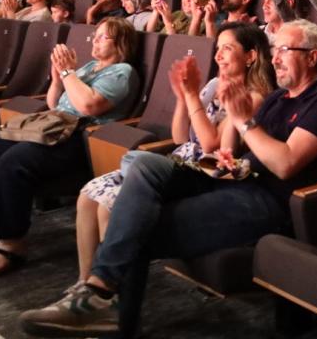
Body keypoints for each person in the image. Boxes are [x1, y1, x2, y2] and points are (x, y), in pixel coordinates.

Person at [18, 20, 317, 337]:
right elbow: (229, 150)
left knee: (137, 227)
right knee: (146, 164)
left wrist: (243, 120)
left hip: (262, 201)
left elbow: (285, 164)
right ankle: (99, 294)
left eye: (284, 50)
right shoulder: (276, 99)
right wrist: (215, 147)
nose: (274, 58)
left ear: (312, 57)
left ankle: (104, 302)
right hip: (231, 176)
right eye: (274, 50)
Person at [0, 17, 139, 279]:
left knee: (10, 165)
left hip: (79, 138)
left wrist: (67, 73)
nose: (95, 40)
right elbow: (56, 104)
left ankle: (11, 244)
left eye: (103, 37)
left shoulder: (122, 72)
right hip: (52, 126)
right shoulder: (90, 67)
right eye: (95, 35)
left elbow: (88, 106)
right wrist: (57, 79)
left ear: (121, 43)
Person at [74, 24, 275, 283]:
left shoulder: (253, 97)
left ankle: (111, 289)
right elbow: (181, 137)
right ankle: (85, 284)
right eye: (218, 48)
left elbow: (212, 146)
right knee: (88, 195)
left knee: (108, 207)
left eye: (227, 48)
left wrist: (191, 96)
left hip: (204, 170)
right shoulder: (215, 84)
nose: (218, 55)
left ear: (250, 56)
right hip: (181, 157)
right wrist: (182, 98)